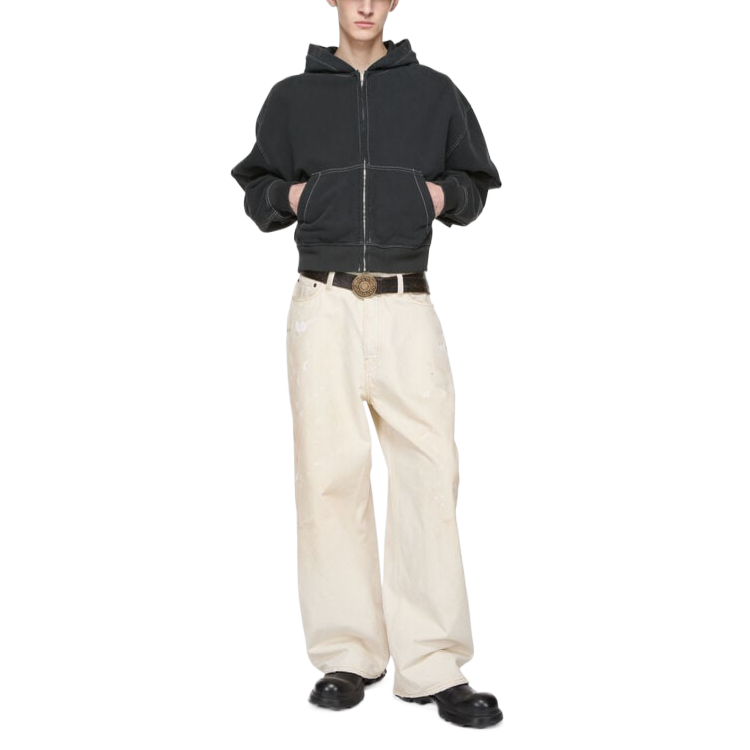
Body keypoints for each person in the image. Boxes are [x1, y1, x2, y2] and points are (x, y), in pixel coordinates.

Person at [230, 0, 502, 729]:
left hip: (407, 300)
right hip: (321, 303)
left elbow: (475, 183)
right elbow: (257, 189)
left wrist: (433, 196)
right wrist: (298, 195)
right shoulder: (292, 95)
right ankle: (348, 655)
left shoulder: (434, 90)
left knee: (429, 472)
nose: (364, 4)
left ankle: (433, 663)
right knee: (328, 476)